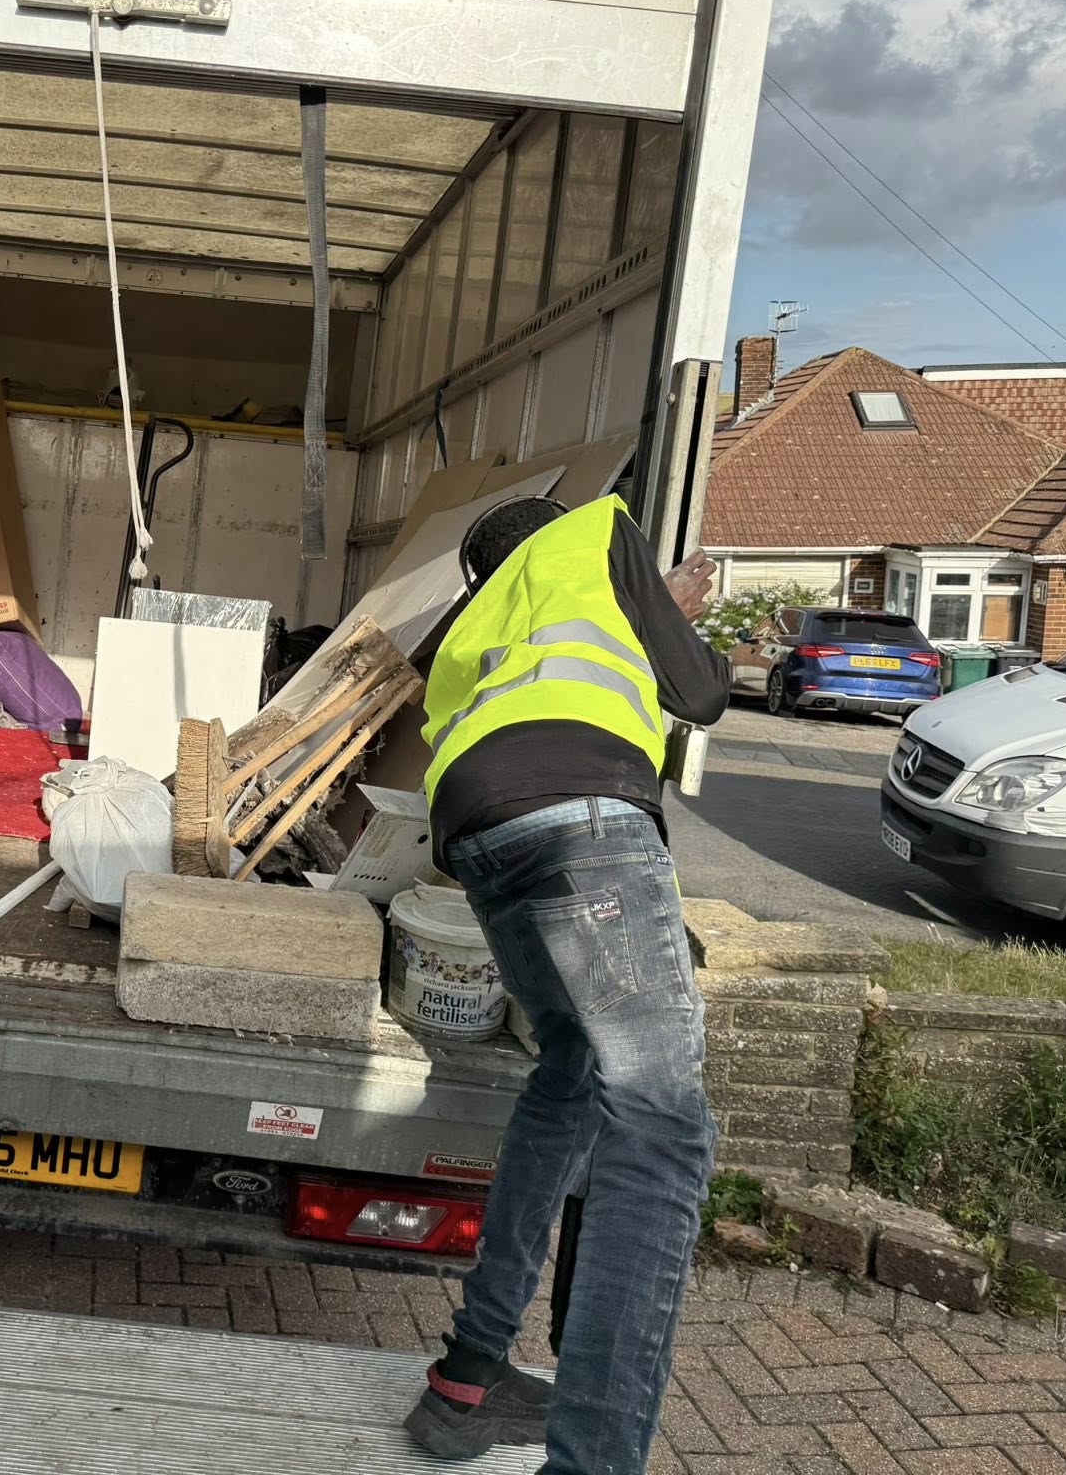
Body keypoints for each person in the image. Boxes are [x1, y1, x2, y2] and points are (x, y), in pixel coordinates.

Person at [403, 492, 728, 1474]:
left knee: (570, 1074)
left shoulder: (474, 616)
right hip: (586, 821)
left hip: (477, 836)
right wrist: (668, 606)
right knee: (659, 1120)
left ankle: (470, 1371)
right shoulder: (595, 530)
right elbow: (700, 693)